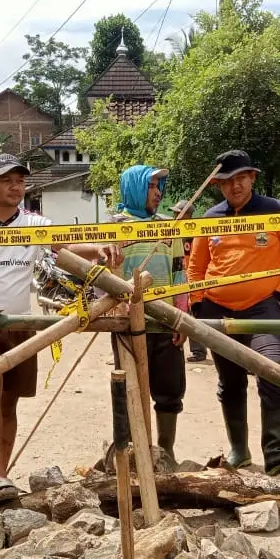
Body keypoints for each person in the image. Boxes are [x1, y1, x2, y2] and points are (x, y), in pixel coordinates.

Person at [0, 153, 121, 502]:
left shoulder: (36, 223)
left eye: (20, 180)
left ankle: (1, 480)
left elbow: (63, 247)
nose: (15, 186)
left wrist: (97, 248)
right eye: (6, 179)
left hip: (21, 324)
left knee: (10, 401)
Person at [187, 149, 280, 475]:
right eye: (227, 181)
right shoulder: (210, 218)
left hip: (263, 307)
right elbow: (195, 267)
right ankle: (239, 451)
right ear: (219, 186)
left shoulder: (277, 212)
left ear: (252, 177)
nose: (235, 186)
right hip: (217, 308)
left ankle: (275, 452)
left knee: (275, 370)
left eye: (240, 178)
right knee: (230, 382)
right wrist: (199, 305)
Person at [109, 167, 188, 463]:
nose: (158, 192)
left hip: (166, 323)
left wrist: (183, 316)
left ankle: (165, 453)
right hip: (128, 325)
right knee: (129, 389)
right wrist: (118, 307)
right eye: (151, 186)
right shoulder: (113, 226)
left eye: (159, 186)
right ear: (134, 188)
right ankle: (131, 454)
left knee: (170, 391)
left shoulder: (169, 228)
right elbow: (106, 274)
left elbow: (180, 272)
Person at [171, 198, 207, 363]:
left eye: (178, 213)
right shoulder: (174, 231)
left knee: (193, 314)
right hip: (178, 277)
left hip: (193, 277)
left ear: (187, 215)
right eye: (174, 213)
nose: (174, 216)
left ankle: (199, 351)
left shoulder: (194, 233)